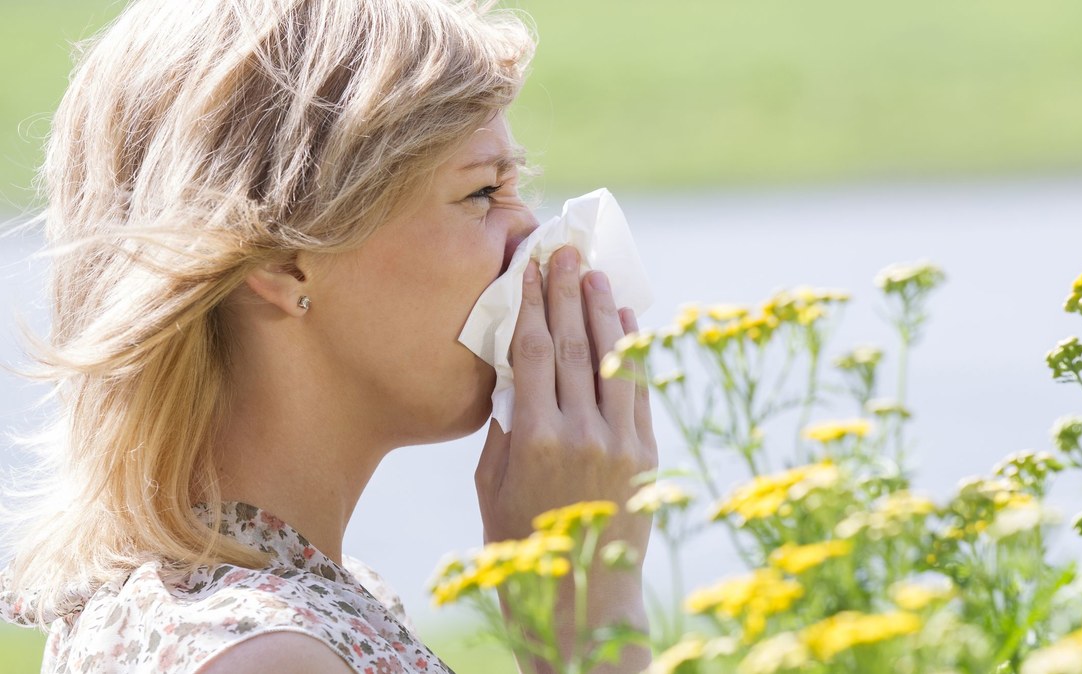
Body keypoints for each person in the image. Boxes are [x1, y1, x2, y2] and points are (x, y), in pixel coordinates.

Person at [0, 0, 657, 672]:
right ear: (283, 262)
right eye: (483, 192)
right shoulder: (268, 653)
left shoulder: (285, 605)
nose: (531, 238)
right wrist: (588, 620)